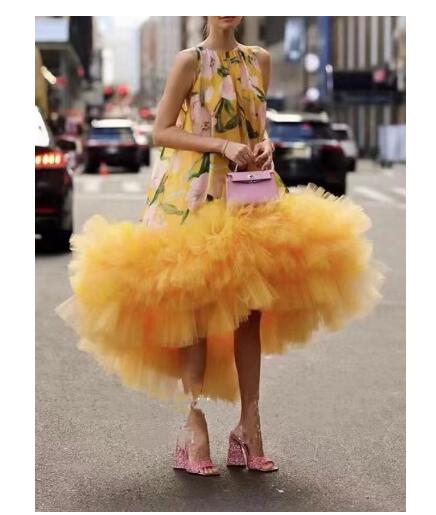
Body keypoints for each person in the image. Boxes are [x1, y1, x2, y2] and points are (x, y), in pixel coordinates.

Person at [56, 17, 383, 477]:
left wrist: (265, 144)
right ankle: (193, 426)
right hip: (193, 192)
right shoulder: (189, 62)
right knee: (196, 308)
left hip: (250, 191)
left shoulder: (259, 59)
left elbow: (256, 125)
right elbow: (162, 131)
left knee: (251, 309)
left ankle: (249, 426)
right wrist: (219, 147)